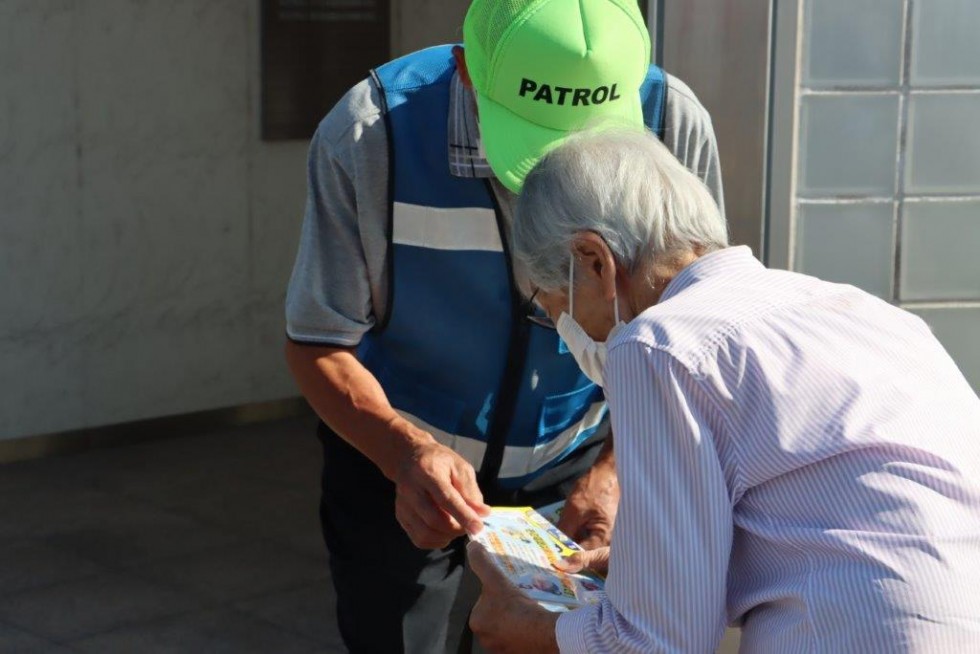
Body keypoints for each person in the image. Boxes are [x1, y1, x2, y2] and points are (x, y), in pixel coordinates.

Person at [284, 0, 724, 651]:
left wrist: (616, 469)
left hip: (578, 468)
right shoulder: (370, 133)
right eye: (534, 134)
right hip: (398, 467)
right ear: (465, 69)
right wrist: (404, 453)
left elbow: (694, 326)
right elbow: (319, 342)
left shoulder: (672, 119)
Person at [467, 126, 980, 652]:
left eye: (554, 306)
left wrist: (531, 629)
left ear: (595, 260)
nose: (569, 331)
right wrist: (647, 568)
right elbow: (843, 515)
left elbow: (659, 642)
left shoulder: (657, 345)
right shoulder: (864, 311)